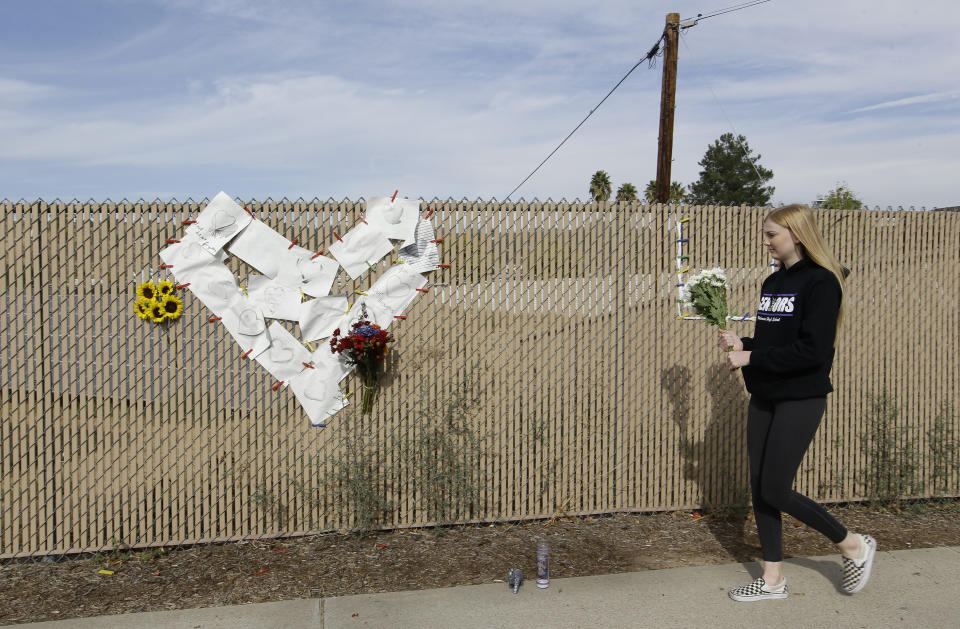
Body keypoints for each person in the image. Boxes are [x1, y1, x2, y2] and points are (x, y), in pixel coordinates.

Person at [717, 204, 875, 602]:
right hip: (765, 396)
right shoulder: (773, 284)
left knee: (775, 488)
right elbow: (776, 344)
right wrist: (746, 343)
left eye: (772, 235)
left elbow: (812, 351)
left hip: (800, 398)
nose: (766, 241)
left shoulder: (822, 283)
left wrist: (751, 357)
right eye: (766, 234)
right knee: (759, 488)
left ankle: (851, 544)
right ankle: (773, 580)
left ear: (797, 235)